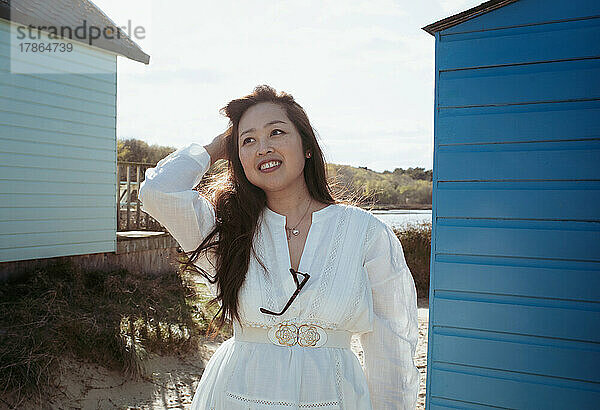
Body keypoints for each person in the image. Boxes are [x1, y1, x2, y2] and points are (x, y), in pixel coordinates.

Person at [138, 85, 419, 409]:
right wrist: (217, 146)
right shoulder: (226, 230)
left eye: (276, 132)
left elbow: (392, 350)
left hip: (336, 397)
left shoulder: (366, 233)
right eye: (248, 140)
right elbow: (159, 192)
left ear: (307, 147)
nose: (263, 147)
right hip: (236, 395)